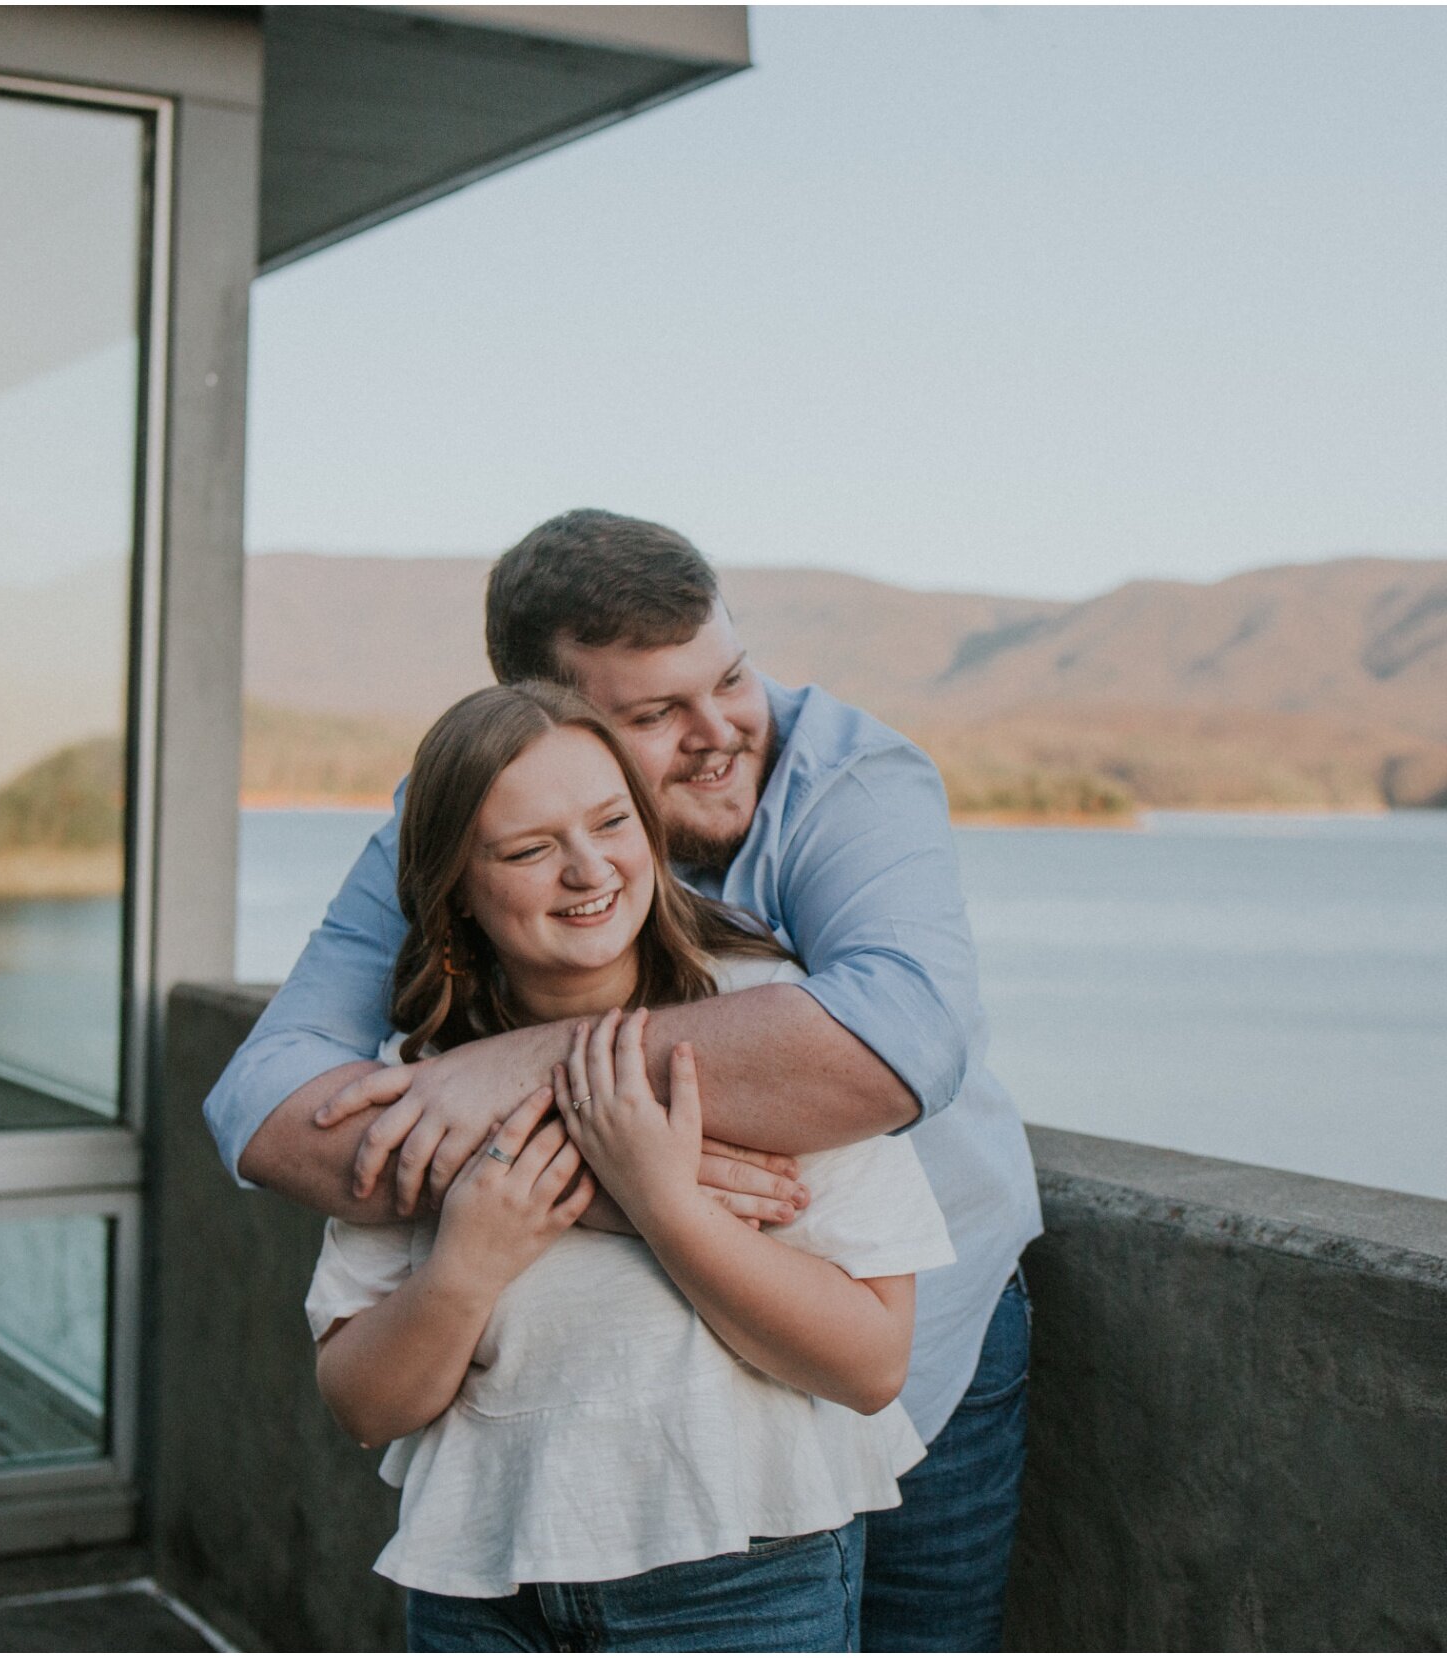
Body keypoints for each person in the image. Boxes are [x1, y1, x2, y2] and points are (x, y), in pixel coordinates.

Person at [207, 508, 1044, 1650]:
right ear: (553, 717)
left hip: (917, 1308)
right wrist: (603, 1187)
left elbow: (901, 1046)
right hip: (557, 1484)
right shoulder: (470, 808)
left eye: (732, 676)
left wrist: (531, 1064)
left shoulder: (848, 777)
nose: (718, 733)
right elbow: (261, 1105)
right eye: (653, 713)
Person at [308, 681, 957, 1651]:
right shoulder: (434, 1083)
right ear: (459, 896)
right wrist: (465, 1265)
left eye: (610, 822)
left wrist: (664, 1203)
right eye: (528, 849)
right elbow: (362, 1402)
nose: (585, 869)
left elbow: (869, 1362)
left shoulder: (765, 1027)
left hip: (738, 1579)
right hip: (484, 1587)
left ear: (650, 830)